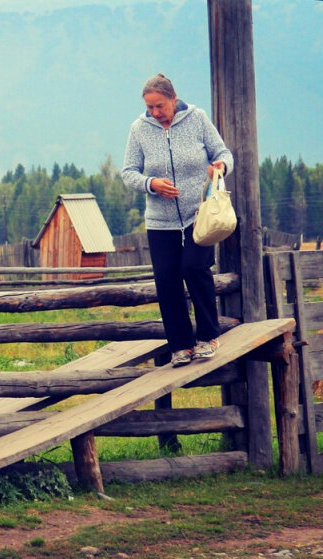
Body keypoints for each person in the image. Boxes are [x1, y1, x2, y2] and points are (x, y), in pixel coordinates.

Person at [121, 73, 233, 367]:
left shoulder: (197, 119)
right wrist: (151, 184)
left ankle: (208, 337)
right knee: (167, 280)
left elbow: (223, 153)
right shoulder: (139, 129)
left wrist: (220, 165)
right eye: (150, 108)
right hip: (159, 220)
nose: (155, 113)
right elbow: (129, 172)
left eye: (160, 106)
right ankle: (181, 346)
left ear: (173, 99)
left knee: (194, 267)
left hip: (199, 214)